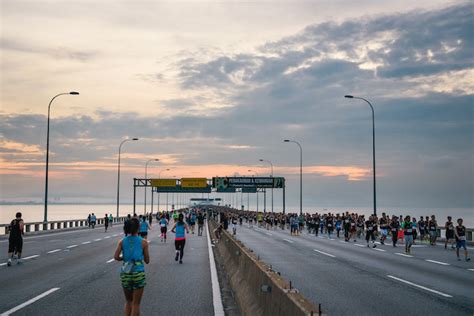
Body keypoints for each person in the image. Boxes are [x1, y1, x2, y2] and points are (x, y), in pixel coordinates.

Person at [114, 218, 150, 316]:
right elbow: (147, 261)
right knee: (136, 303)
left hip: (126, 273)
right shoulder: (144, 242)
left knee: (128, 301)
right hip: (138, 273)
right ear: (138, 228)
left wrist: (124, 258)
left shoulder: (122, 242)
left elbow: (116, 257)